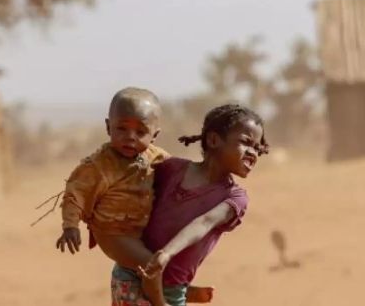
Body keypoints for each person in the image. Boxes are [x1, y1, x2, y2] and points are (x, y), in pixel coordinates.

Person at [55, 87, 209, 306]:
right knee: (151, 263)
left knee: (168, 256)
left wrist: (209, 171)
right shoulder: (99, 165)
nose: (130, 138)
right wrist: (70, 226)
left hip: (139, 231)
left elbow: (180, 171)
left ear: (155, 135)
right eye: (122, 129)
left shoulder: (154, 156)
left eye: (140, 132)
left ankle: (176, 287)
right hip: (112, 232)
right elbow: (75, 193)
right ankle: (163, 299)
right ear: (108, 127)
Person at [112, 104, 269, 306]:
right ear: (213, 140)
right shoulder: (170, 169)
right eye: (246, 143)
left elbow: (204, 222)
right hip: (132, 275)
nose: (253, 153)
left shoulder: (234, 197)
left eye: (258, 148)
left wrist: (166, 253)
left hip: (171, 289)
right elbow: (130, 184)